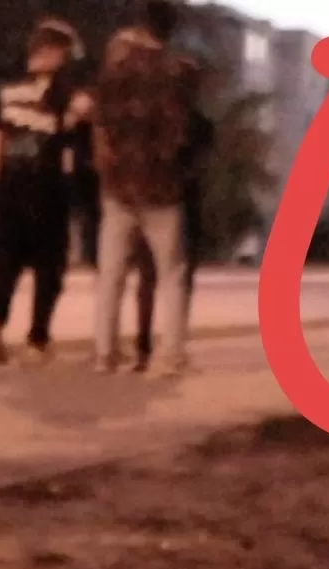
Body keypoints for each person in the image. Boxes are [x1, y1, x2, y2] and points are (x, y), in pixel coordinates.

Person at [91, 0, 191, 377]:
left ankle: (104, 353)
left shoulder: (115, 70)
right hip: (161, 186)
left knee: (111, 274)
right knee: (170, 274)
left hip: (119, 184)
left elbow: (100, 122)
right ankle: (171, 355)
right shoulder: (178, 71)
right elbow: (180, 129)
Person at [0, 19, 85, 366]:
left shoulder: (7, 88)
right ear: (53, 52)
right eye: (65, 54)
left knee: (7, 263)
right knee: (49, 266)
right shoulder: (62, 91)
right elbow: (78, 121)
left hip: (9, 185)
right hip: (46, 188)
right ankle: (37, 339)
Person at [133, 59, 214, 373]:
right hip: (183, 201)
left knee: (148, 275)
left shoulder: (151, 118)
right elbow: (201, 166)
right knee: (179, 276)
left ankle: (143, 347)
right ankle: (172, 345)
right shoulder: (200, 124)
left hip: (151, 198)